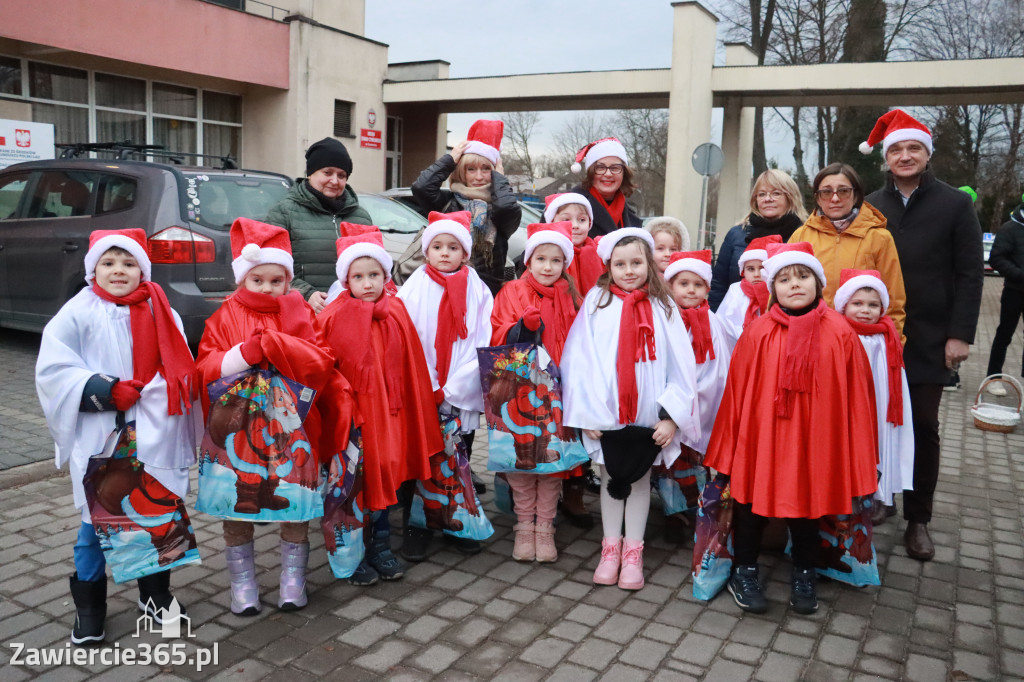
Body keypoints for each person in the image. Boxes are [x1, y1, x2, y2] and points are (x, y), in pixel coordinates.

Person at [36, 228, 198, 645]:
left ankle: (155, 595)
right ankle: (90, 607)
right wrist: (103, 389)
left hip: (153, 433)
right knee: (96, 523)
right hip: (102, 436)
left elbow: (180, 371)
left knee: (157, 516)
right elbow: (54, 370)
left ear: (142, 269)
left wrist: (150, 392)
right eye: (108, 263)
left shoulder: (165, 312)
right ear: (93, 269)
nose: (118, 271)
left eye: (128, 263)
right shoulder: (78, 312)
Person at [705, 242, 878, 615]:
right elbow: (737, 390)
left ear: (819, 283)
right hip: (762, 437)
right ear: (773, 288)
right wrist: (730, 445)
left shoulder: (840, 333)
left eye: (803, 276)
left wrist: (855, 449)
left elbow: (856, 395)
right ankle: (744, 568)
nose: (794, 285)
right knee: (750, 502)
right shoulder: (758, 332)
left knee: (807, 507)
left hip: (816, 439)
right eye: (784, 278)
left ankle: (804, 569)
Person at [195, 218, 352, 615]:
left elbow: (322, 361)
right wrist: (242, 355)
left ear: (288, 280)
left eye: (276, 281)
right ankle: (242, 584)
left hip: (293, 429)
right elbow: (205, 367)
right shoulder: (224, 314)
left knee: (296, 503)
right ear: (242, 280)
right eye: (257, 280)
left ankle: (292, 579)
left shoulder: (297, 311)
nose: (267, 289)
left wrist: (283, 349)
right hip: (238, 432)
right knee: (237, 504)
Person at [862, 109, 984, 561]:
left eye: (913, 148)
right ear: (886, 157)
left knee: (922, 426)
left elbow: (971, 274)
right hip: (878, 335)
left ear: (926, 154)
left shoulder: (955, 204)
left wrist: (960, 335)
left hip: (932, 337)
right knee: (877, 422)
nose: (905, 155)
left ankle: (919, 518)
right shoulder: (872, 204)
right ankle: (882, 498)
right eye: (896, 149)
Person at [562, 228, 701, 590]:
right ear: (608, 265)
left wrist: (672, 417)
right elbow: (579, 359)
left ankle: (633, 552)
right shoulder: (597, 302)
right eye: (620, 264)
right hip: (607, 410)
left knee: (639, 478)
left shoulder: (664, 306)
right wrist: (586, 413)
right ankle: (610, 548)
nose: (628, 270)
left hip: (647, 412)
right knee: (612, 477)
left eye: (636, 262)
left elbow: (681, 365)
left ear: (649, 263)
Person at [319, 228, 444, 585]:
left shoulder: (397, 311)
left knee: (386, 474)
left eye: (374, 274)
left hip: (391, 415)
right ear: (345, 279)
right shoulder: (333, 315)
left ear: (386, 276)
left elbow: (411, 364)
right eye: (358, 276)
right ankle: (354, 553)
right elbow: (324, 366)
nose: (367, 283)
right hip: (354, 419)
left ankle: (381, 547)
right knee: (357, 482)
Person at [396, 210, 494, 560]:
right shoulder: (414, 286)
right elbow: (408, 337)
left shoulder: (478, 290)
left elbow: (482, 339)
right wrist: (428, 385)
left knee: (458, 455)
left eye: (453, 247)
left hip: (458, 392)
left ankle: (455, 519)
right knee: (421, 456)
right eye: (437, 246)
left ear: (465, 253)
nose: (445, 253)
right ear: (426, 251)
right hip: (423, 389)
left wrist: (452, 388)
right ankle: (418, 523)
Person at [490, 221, 581, 562]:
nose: (547, 266)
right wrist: (521, 329)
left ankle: (545, 526)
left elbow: (580, 343)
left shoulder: (572, 297)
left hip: (557, 396)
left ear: (564, 265)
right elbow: (497, 335)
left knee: (552, 462)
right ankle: (524, 525)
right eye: (541, 258)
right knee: (523, 461)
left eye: (556, 260)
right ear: (528, 260)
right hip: (518, 394)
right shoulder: (511, 291)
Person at [657, 250, 731, 537]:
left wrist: (692, 401)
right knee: (669, 463)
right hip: (667, 405)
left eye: (698, 285)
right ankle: (672, 512)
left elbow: (718, 369)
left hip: (700, 405)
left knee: (694, 460)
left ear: (707, 290)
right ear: (670, 286)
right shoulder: (663, 318)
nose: (690, 290)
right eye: (683, 283)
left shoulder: (712, 322)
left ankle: (696, 509)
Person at [834, 269, 914, 526]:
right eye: (857, 304)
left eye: (873, 304)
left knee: (878, 441)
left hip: (880, 403)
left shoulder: (885, 336)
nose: (865, 310)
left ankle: (878, 495)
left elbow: (893, 374)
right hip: (848, 402)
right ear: (844, 305)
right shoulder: (838, 334)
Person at [789, 162, 907, 338]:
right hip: (812, 337)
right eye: (826, 192)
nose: (835, 198)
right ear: (818, 198)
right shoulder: (801, 236)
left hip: (862, 340)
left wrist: (893, 347)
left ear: (856, 195)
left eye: (843, 191)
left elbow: (893, 300)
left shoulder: (879, 238)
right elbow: (779, 293)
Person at [411, 119, 522, 296]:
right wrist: (449, 160)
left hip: (486, 292)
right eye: (471, 169)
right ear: (462, 171)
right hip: (445, 287)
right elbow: (421, 188)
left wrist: (500, 179)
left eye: (485, 169)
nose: (479, 176)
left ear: (494, 171)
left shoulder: (499, 208)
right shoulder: (448, 202)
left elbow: (507, 209)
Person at [265, 137, 373, 314]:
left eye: (341, 175)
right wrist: (307, 294)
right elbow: (269, 268)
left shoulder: (360, 217)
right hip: (301, 312)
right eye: (327, 172)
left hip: (352, 312)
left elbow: (374, 267)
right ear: (311, 173)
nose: (334, 181)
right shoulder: (284, 212)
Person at [709, 169, 806, 310]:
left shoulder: (802, 235)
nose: (768, 199)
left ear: (790, 197)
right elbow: (719, 284)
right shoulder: (737, 234)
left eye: (776, 193)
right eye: (762, 194)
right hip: (737, 321)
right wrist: (716, 321)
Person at [715, 235, 782, 349]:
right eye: (750, 269)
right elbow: (723, 320)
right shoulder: (736, 290)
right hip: (737, 346)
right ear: (743, 271)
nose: (756, 274)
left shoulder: (776, 291)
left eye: (762, 268)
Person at [985, 199, 1024, 395]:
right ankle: (993, 377)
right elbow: (997, 258)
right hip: (1015, 290)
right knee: (1005, 334)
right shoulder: (1010, 228)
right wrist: (1018, 274)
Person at [569, 138, 643, 237]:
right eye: (600, 167)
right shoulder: (564, 207)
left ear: (624, 173)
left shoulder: (632, 219)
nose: (608, 174)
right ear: (590, 172)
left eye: (615, 168)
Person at [544, 192, 605, 295]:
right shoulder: (543, 252)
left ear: (589, 223)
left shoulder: (601, 252)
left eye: (582, 220)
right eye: (566, 219)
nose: (575, 225)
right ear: (552, 223)